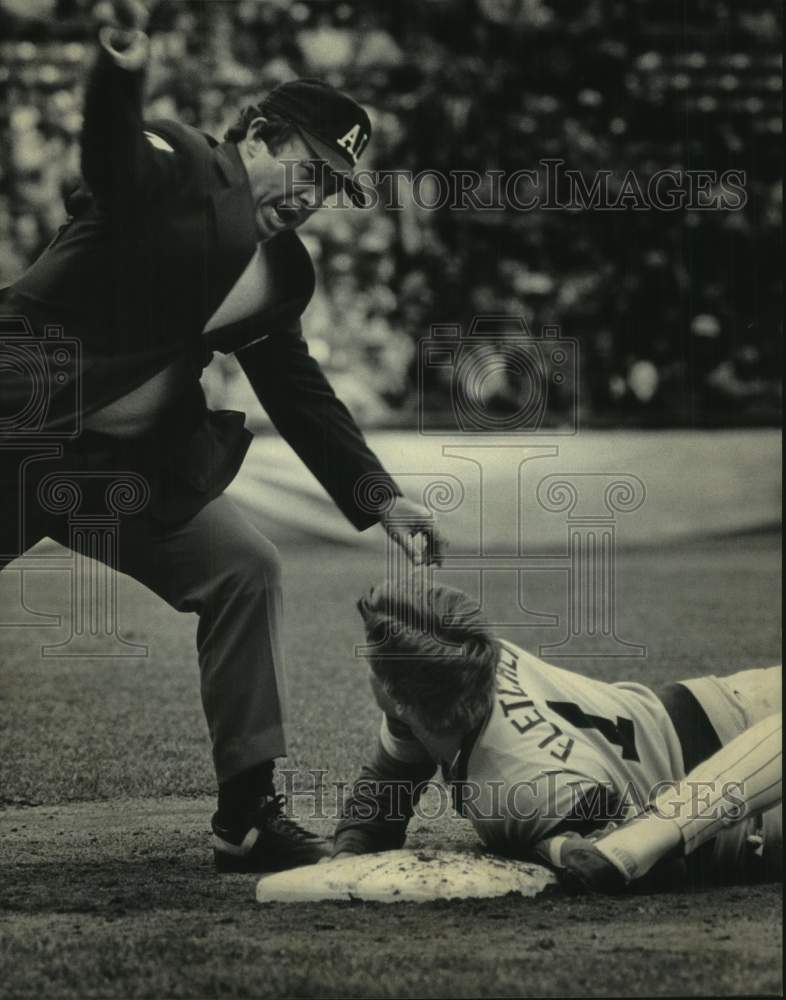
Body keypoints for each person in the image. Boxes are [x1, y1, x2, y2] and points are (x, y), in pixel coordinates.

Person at [0, 0, 445, 874]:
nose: (313, 198)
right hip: (16, 435)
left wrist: (379, 497)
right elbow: (112, 162)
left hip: (119, 471)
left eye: (330, 189)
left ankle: (247, 812)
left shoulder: (283, 273)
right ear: (258, 136)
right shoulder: (179, 164)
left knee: (245, 568)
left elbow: (296, 389)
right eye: (307, 170)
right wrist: (119, 71)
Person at [332, 577, 781, 890]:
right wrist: (350, 851)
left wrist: (554, 847)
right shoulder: (466, 658)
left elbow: (647, 865)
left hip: (751, 817)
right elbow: (391, 781)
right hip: (731, 698)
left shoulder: (514, 787)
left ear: (402, 699)